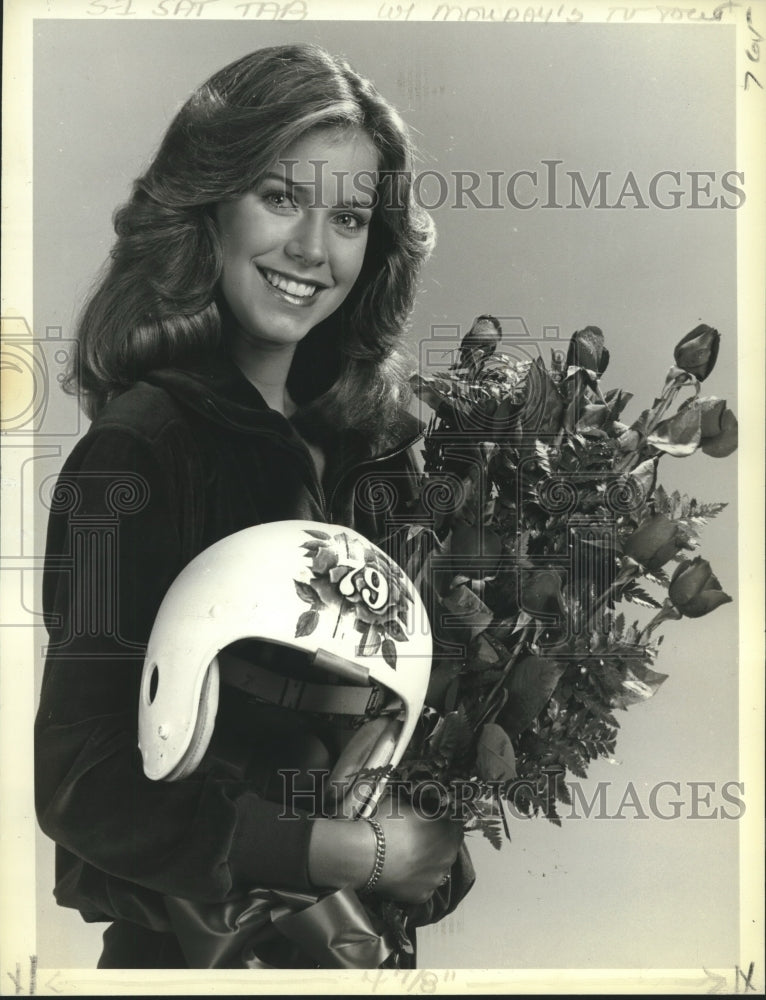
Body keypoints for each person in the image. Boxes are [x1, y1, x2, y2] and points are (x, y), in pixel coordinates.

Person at [35, 43, 472, 970]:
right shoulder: (139, 450)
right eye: (281, 198)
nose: (313, 251)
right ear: (209, 205)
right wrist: (332, 851)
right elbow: (81, 783)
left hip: (357, 957)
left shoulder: (371, 454)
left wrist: (428, 834)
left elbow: (394, 728)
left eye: (349, 218)